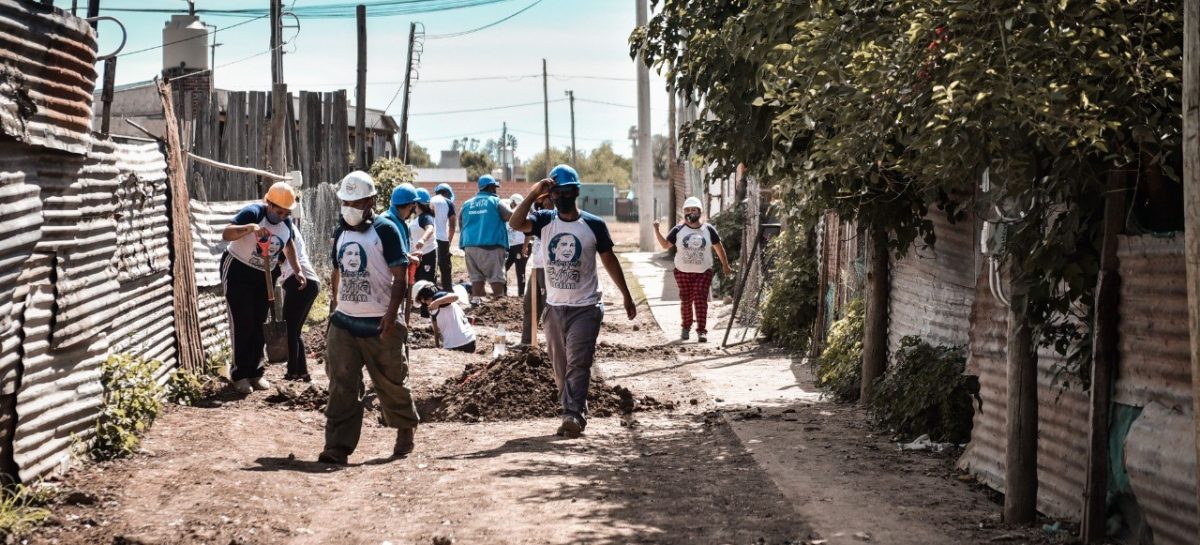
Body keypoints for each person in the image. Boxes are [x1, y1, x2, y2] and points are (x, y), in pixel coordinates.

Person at [509, 164, 637, 439]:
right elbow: (515, 223)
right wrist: (533, 193)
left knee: (579, 362)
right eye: (557, 192)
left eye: (568, 192)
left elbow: (609, 260)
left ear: (576, 193)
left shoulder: (593, 225)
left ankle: (573, 415)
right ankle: (574, 407)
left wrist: (626, 295)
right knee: (560, 366)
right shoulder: (544, 220)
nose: (563, 197)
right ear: (551, 194)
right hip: (554, 308)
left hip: (586, 307)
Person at [320, 171, 419, 465]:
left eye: (357, 200)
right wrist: (332, 310)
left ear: (372, 201)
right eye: (346, 200)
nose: (350, 206)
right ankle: (337, 447)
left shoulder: (386, 230)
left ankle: (404, 429)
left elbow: (400, 277)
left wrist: (391, 315)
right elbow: (337, 272)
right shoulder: (340, 232)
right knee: (342, 386)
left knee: (391, 382)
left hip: (380, 323)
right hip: (345, 323)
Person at [220, 182, 306, 395]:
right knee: (243, 322)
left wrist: (297, 270)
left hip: (264, 275)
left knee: (260, 323)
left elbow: (289, 245)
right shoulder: (253, 212)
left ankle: (256, 372)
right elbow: (226, 233)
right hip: (238, 270)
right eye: (279, 211)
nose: (283, 215)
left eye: (287, 212)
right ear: (269, 203)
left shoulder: (286, 225)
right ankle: (239, 374)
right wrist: (250, 228)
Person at [653, 196, 733, 343]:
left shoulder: (708, 230)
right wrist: (657, 230)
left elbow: (718, 248)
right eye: (687, 210)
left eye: (693, 210)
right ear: (684, 213)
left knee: (700, 299)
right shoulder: (678, 230)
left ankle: (701, 331)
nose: (690, 212)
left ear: (699, 212)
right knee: (686, 300)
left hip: (703, 271)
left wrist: (725, 265)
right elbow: (665, 245)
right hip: (682, 271)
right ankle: (686, 327)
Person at [459, 175, 513, 302]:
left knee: (476, 278)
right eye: (495, 187)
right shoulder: (495, 201)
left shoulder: (467, 204)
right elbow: (509, 216)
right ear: (491, 187)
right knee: (496, 277)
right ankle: (499, 304)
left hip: (470, 246)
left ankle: (475, 302)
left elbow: (461, 222)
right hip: (491, 246)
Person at [280, 225, 321, 382]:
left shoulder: (282, 229)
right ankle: (302, 371)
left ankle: (292, 372)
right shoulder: (289, 227)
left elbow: (281, 257)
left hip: (299, 281)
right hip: (310, 282)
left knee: (289, 329)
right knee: (295, 330)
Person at [520, 192, 553, 345]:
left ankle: (553, 344)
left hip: (550, 269)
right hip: (536, 267)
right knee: (530, 305)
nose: (542, 201)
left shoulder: (558, 217)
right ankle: (527, 341)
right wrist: (526, 244)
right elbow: (527, 228)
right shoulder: (540, 215)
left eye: (545, 198)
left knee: (550, 308)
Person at [413, 280, 477, 353]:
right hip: (470, 341)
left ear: (423, 297)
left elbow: (456, 297)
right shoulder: (432, 308)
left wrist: (436, 302)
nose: (424, 303)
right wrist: (437, 346)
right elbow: (436, 330)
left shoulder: (438, 297)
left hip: (456, 345)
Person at [430, 183, 457, 291]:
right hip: (442, 239)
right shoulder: (448, 202)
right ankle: (448, 291)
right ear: (446, 193)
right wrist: (449, 241)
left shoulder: (428, 201)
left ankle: (429, 292)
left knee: (431, 266)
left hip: (429, 238)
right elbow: (452, 224)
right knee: (445, 267)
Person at [410, 188, 438, 284]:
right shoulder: (417, 218)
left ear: (416, 203)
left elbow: (430, 228)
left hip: (428, 255)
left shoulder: (426, 217)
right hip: (417, 256)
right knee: (417, 283)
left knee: (426, 284)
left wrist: (422, 239)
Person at [504, 194, 528, 297]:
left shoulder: (523, 215)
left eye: (512, 202)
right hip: (510, 247)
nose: (510, 204)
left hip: (520, 246)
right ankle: (503, 293)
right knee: (503, 269)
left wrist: (525, 247)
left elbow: (529, 233)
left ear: (515, 202)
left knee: (520, 270)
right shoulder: (508, 215)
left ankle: (521, 295)